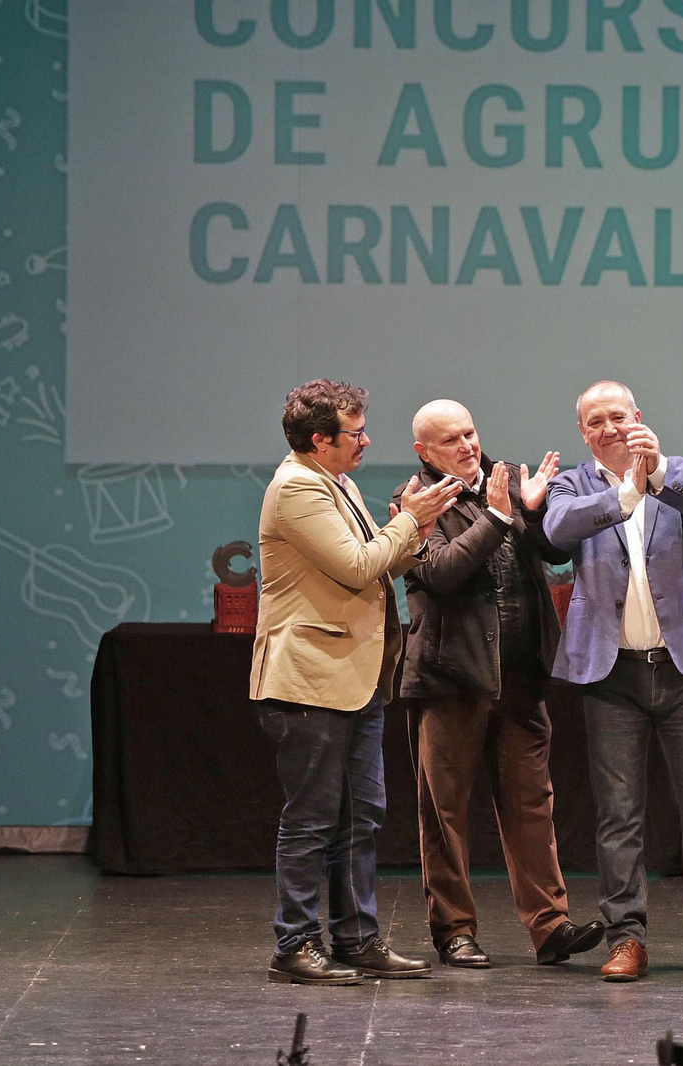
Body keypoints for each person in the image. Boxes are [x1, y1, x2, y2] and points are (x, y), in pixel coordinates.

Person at [251, 378, 461, 985]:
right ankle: (294, 943)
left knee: (361, 815)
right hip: (309, 680)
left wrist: (414, 528)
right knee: (314, 818)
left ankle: (355, 938)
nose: (366, 440)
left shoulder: (335, 481)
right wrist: (408, 525)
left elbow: (379, 558)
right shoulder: (297, 489)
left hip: (356, 677)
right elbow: (356, 567)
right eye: (356, 432)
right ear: (320, 439)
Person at [394, 399, 604, 970]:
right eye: (449, 441)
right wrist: (496, 516)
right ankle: (455, 929)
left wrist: (532, 513)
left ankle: (550, 925)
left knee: (532, 805)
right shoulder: (412, 502)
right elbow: (440, 573)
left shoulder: (505, 482)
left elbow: (555, 552)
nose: (465, 446)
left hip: (520, 677)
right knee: (446, 812)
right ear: (424, 453)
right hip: (451, 680)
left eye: (469, 433)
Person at [543, 380, 683, 982]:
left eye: (617, 417)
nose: (608, 428)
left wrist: (653, 481)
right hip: (611, 674)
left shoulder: (680, 473)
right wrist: (623, 495)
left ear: (638, 419)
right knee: (619, 813)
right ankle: (627, 937)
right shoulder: (571, 484)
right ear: (583, 430)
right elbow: (554, 534)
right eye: (595, 421)